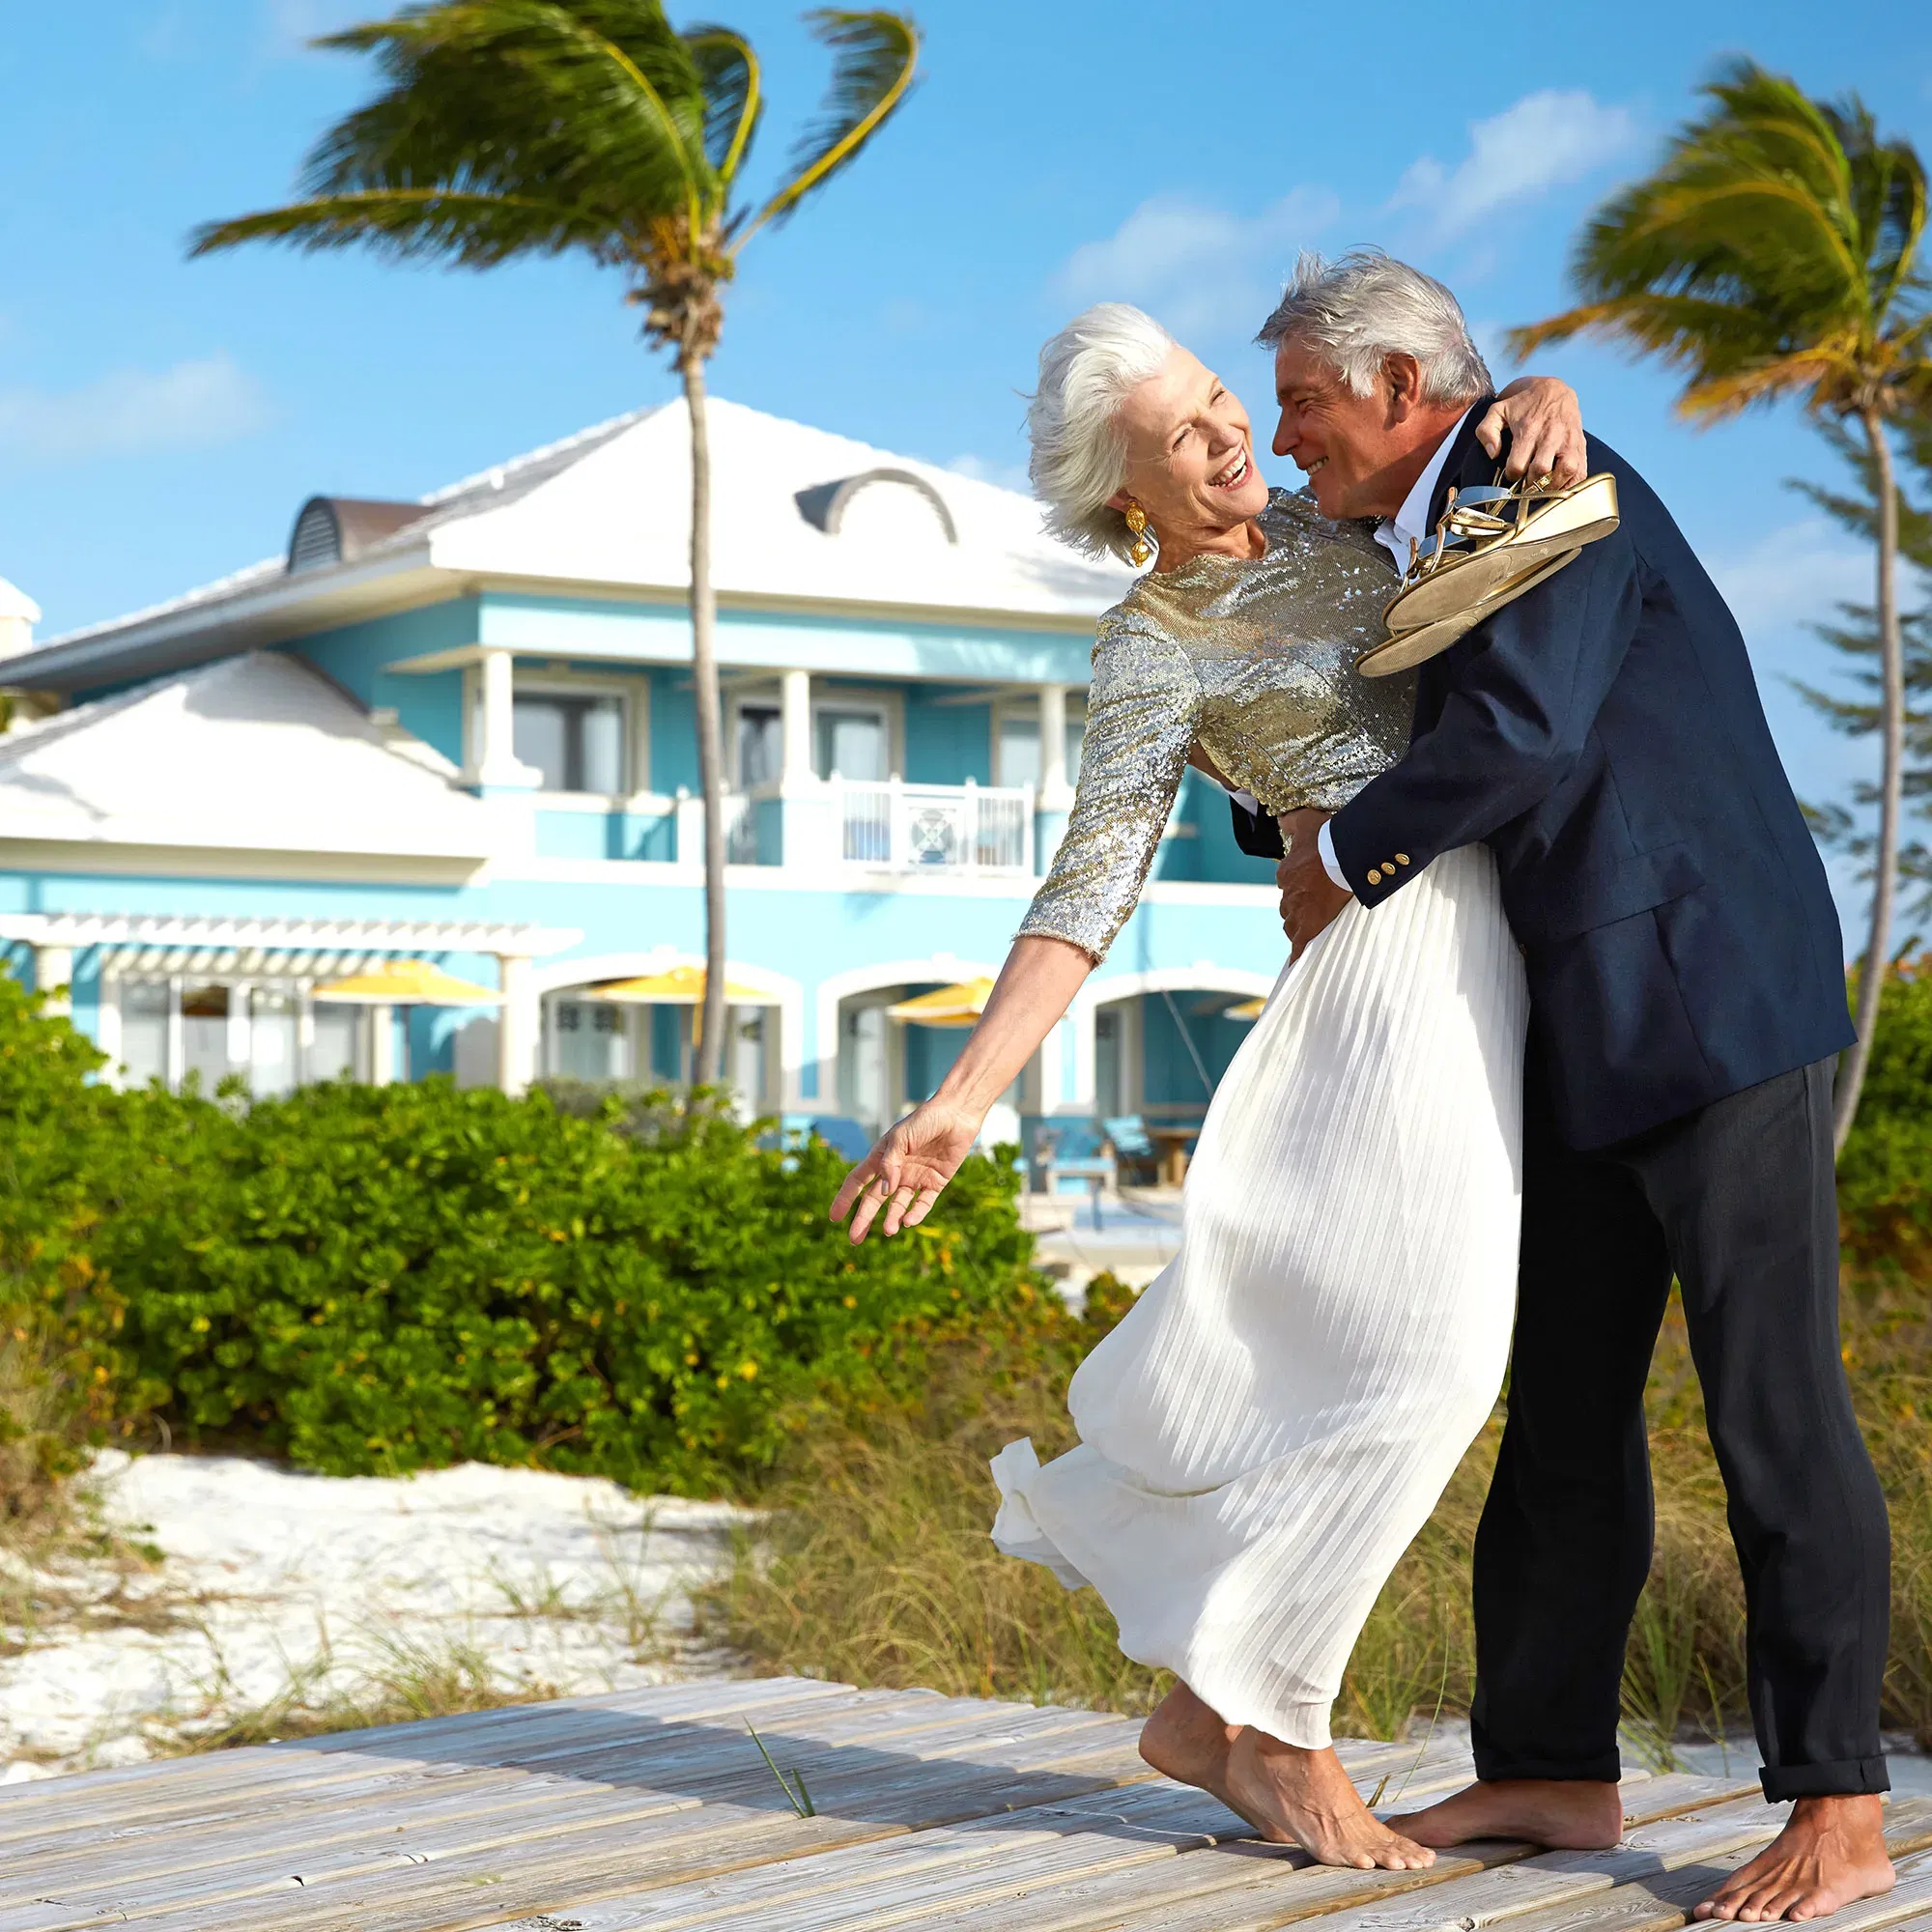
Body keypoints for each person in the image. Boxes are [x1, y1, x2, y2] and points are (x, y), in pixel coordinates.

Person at [830, 298, 1586, 1870]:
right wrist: (965, 1093)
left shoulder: (1340, 524)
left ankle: (1204, 1710)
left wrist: (1551, 395)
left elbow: (1467, 473)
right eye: (1188, 433)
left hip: (1488, 937)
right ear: (1128, 491)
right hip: (1385, 967)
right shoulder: (1151, 648)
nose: (1237, 435)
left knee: (1392, 1356)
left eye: (1229, 402)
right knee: (1434, 1362)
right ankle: (1281, 1736)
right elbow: (1087, 886)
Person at [1248, 250, 1892, 1924]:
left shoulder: (1553, 470)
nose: (1284, 429)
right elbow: (1388, 732)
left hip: (1713, 999)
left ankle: (1838, 1802)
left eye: (1307, 400)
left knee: (1771, 1410)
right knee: (1563, 1413)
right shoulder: (1440, 520)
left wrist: (1348, 851)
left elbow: (1524, 729)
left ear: (1402, 388)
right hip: (1583, 1023)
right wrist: (1284, 796)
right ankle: (1550, 1763)